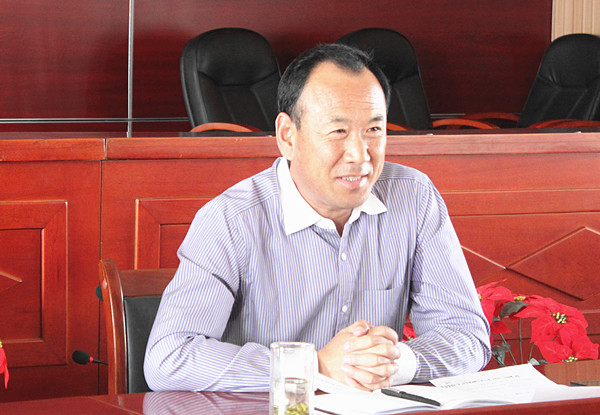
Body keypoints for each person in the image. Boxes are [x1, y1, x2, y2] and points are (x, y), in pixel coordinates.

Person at [144, 43, 490, 392]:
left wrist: (392, 363)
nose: (360, 155)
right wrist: (315, 367)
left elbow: (467, 335)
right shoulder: (232, 219)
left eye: (374, 130)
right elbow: (170, 358)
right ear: (287, 136)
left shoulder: (413, 197)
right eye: (338, 131)